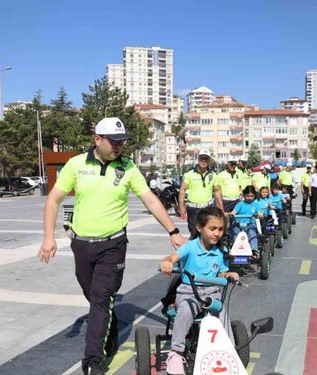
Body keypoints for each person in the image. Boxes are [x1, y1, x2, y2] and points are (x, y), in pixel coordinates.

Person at [37, 117, 187, 375]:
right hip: (82, 245)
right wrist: (49, 237)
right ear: (98, 139)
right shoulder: (76, 164)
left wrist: (172, 230)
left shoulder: (128, 167)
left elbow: (150, 199)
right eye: (113, 142)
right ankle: (110, 321)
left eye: (122, 142)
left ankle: (93, 361)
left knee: (100, 298)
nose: (119, 147)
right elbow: (54, 199)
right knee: (94, 298)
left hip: (113, 245)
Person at [160, 207, 240, 375]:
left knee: (221, 311)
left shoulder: (219, 252)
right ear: (199, 228)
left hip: (212, 292)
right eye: (212, 229)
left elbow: (220, 273)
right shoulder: (190, 247)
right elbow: (172, 258)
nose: (217, 233)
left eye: (220, 229)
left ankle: (228, 351)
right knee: (186, 311)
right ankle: (175, 353)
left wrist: (229, 274)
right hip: (189, 292)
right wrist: (167, 262)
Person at [179, 149, 220, 239]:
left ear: (209, 160)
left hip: (207, 209)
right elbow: (182, 190)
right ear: (198, 159)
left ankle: (205, 252)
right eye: (202, 158)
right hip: (193, 209)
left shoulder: (213, 175)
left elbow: (217, 191)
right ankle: (195, 252)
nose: (203, 161)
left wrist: (220, 208)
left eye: (206, 159)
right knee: (194, 233)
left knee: (207, 233)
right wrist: (181, 207)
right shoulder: (189, 174)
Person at [227, 186, 263, 255]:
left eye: (251, 196)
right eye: (247, 196)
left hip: (250, 224)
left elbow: (259, 212)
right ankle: (234, 250)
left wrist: (260, 214)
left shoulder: (256, 204)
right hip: (238, 224)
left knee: (252, 233)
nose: (249, 198)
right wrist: (232, 214)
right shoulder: (240, 204)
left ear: (254, 196)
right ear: (244, 195)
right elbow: (234, 211)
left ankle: (254, 250)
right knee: (235, 232)